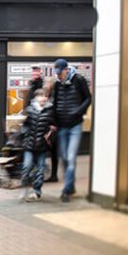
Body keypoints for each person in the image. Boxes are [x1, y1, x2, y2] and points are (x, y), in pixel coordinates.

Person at [52, 58, 92, 202]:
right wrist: (53, 121)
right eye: (56, 73)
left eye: (60, 73)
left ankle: (66, 191)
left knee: (70, 157)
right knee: (64, 158)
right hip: (62, 126)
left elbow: (88, 98)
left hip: (75, 125)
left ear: (66, 70)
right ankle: (71, 186)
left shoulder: (78, 80)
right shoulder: (57, 85)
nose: (58, 75)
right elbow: (54, 103)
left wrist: (78, 111)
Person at [21, 89, 56, 202]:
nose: (44, 98)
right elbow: (25, 125)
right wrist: (24, 133)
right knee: (26, 167)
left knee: (40, 170)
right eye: (41, 96)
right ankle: (25, 188)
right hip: (29, 145)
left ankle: (36, 191)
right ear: (36, 98)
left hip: (42, 145)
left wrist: (52, 130)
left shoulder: (50, 111)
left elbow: (54, 124)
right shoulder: (30, 110)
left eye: (46, 96)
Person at [26, 66, 58, 182]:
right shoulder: (43, 94)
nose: (46, 85)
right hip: (43, 126)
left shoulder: (53, 97)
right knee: (42, 150)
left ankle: (50, 174)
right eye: (45, 84)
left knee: (51, 151)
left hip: (51, 127)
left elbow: (53, 111)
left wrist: (53, 125)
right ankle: (40, 172)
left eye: (48, 84)